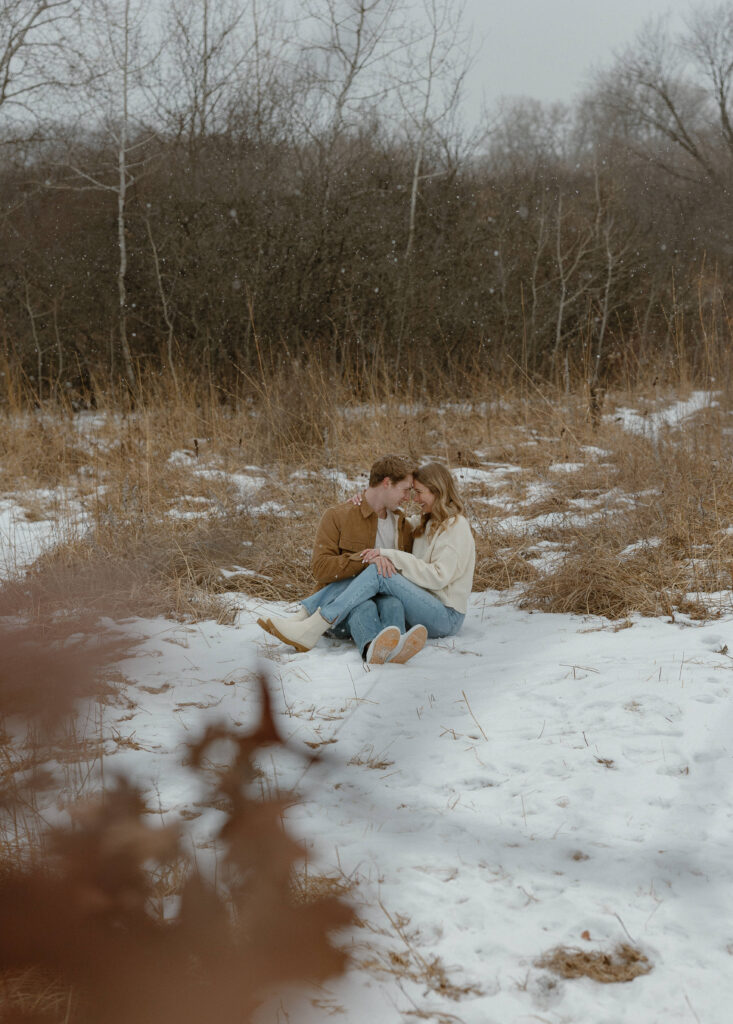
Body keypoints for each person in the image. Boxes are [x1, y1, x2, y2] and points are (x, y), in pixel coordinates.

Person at [259, 462, 475, 665]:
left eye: (418, 493)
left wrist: (388, 555)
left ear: (437, 490)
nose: (414, 499)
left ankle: (311, 622)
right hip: (423, 605)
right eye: (411, 492)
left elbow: (438, 577)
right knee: (380, 581)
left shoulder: (456, 526)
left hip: (446, 615)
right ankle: (387, 644)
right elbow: (383, 516)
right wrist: (363, 503)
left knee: (379, 570)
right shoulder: (424, 523)